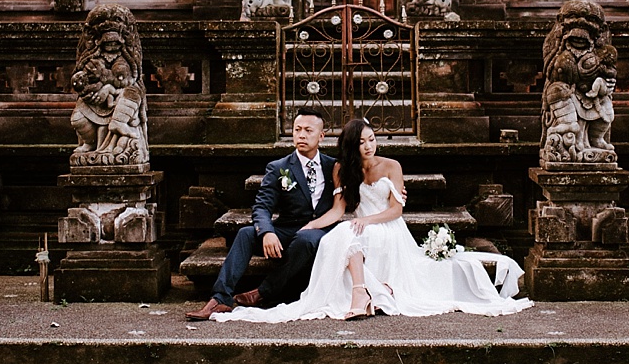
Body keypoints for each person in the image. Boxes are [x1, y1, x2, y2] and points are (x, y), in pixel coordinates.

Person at [215, 118, 531, 323]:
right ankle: (360, 292)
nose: (369, 145)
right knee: (340, 235)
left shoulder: (392, 165)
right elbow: (339, 211)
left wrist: (370, 220)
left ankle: (369, 290)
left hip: (388, 226)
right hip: (359, 223)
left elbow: (396, 211)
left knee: (356, 233)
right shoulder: (343, 169)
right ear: (353, 147)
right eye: (362, 142)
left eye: (372, 139)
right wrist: (311, 226)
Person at [185, 107, 339, 320]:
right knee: (246, 234)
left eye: (308, 131)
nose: (301, 135)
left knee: (306, 238)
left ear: (321, 136)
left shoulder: (334, 167)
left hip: (319, 230)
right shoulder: (278, 167)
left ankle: (264, 292)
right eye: (297, 129)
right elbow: (262, 206)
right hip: (287, 228)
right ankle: (219, 299)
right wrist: (267, 231)